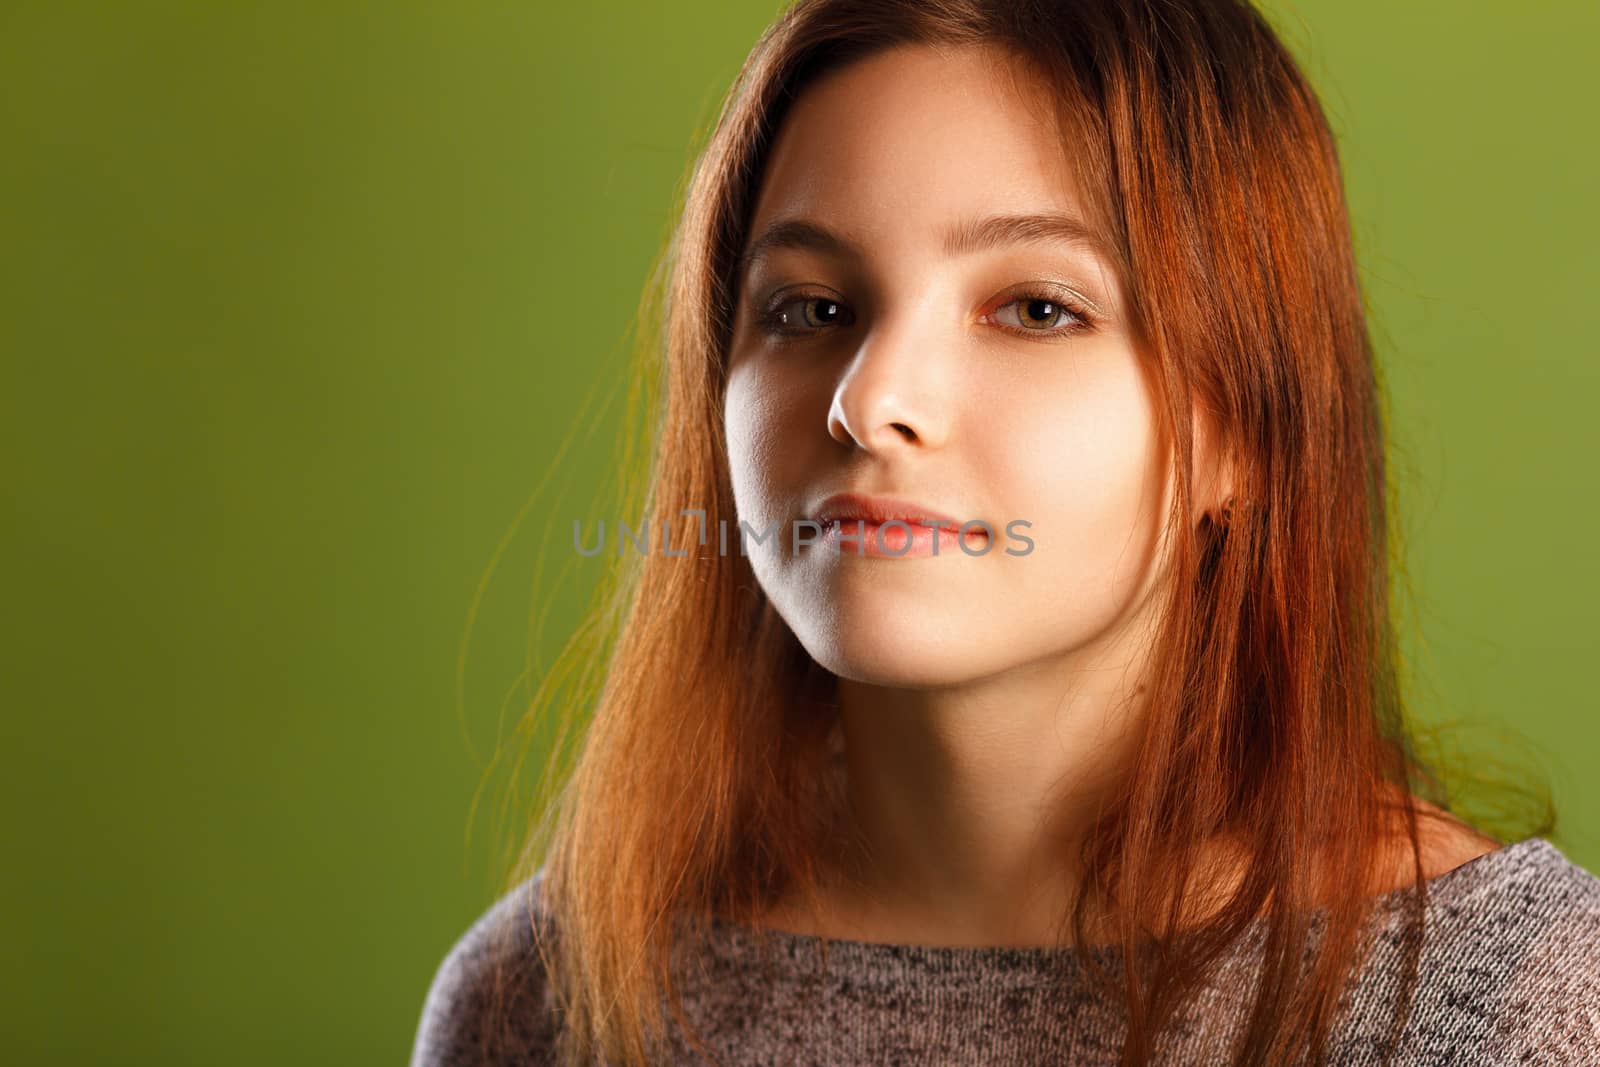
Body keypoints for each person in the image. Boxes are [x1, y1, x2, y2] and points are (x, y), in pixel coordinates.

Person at [410, 1, 1600, 1064]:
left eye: (1036, 307)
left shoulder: (1509, 1006)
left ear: (1246, 427)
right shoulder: (545, 999)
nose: (871, 399)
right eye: (810, 308)